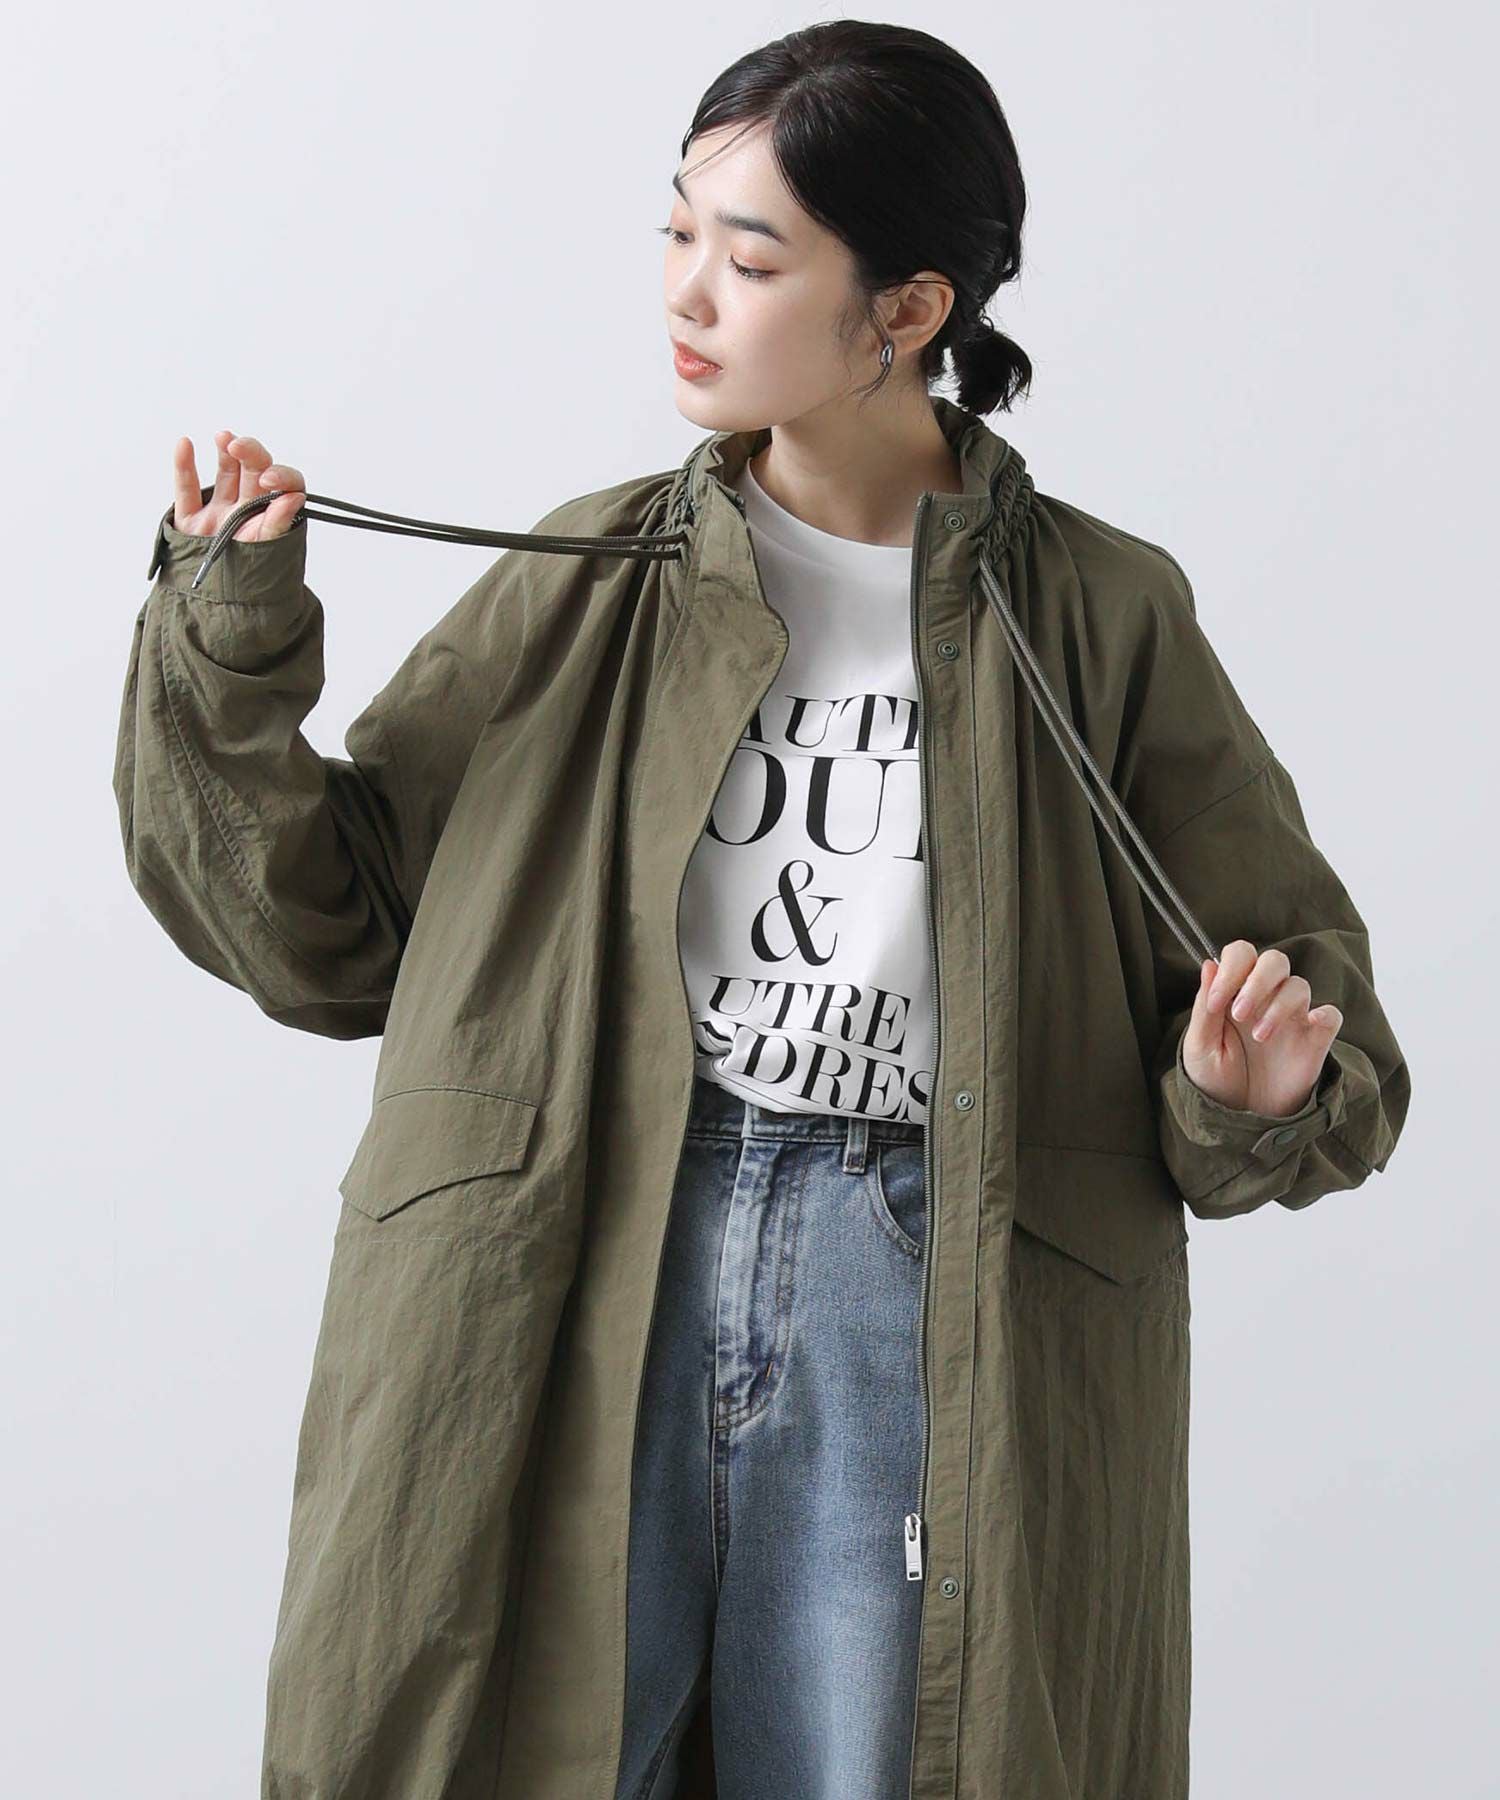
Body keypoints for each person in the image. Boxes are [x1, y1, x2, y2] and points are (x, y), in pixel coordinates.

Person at [113, 20, 1410, 1800]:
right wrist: (231, 643)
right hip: (591, 1244)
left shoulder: (1100, 615)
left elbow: (1309, 1009)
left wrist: (1243, 1083)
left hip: (917, 1265)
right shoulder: (593, 581)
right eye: (676, 231)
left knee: (888, 1759)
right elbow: (330, 927)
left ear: (908, 307)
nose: (687, 291)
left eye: (752, 253)